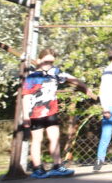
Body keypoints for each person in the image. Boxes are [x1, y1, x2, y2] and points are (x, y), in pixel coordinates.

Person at [20, 47, 95, 178]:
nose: (48, 64)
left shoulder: (55, 72)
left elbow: (72, 78)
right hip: (35, 113)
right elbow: (25, 97)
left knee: (54, 137)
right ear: (38, 60)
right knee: (37, 139)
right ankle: (37, 169)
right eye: (46, 61)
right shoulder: (32, 77)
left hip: (51, 112)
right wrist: (26, 116)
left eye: (51, 62)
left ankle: (57, 166)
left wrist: (85, 87)